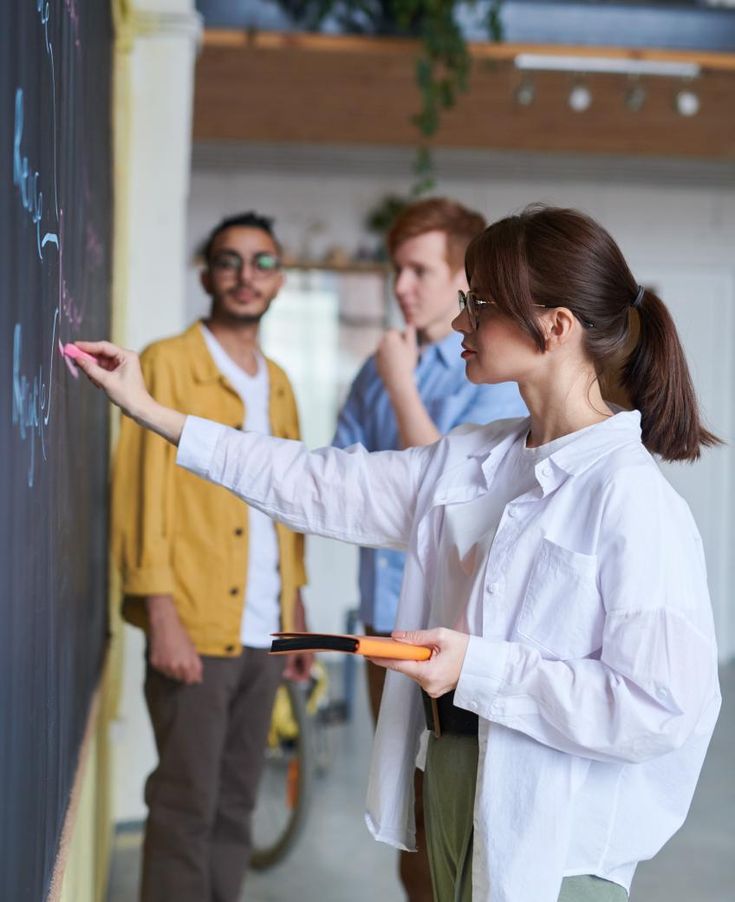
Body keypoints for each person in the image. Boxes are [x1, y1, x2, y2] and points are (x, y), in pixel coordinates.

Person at [79, 205, 721, 902]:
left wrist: (476, 666)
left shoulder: (631, 500)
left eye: (477, 305)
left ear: (556, 327)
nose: (456, 324)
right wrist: (155, 412)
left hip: (553, 828)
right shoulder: (474, 457)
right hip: (450, 774)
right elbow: (313, 482)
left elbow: (658, 708)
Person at [110, 211, 310, 902]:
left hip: (263, 631)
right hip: (196, 623)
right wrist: (160, 612)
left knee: (234, 807)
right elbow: (140, 492)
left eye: (261, 262)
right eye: (230, 261)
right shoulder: (168, 363)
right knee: (184, 806)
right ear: (207, 275)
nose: (245, 276)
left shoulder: (279, 382)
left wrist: (296, 613)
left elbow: (289, 506)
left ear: (279, 279)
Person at [333, 197, 526, 900]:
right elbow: (343, 484)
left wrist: (398, 382)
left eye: (419, 270)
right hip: (381, 624)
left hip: (455, 632)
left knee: (457, 800)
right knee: (405, 808)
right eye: (396, 270)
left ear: (459, 281)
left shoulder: (491, 373)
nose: (401, 287)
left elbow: (446, 494)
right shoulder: (380, 364)